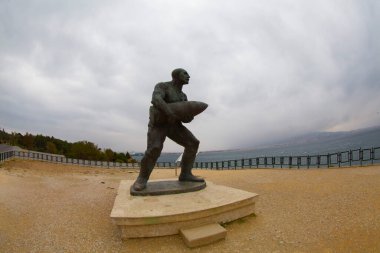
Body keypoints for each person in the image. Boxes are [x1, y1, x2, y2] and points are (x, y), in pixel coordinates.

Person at [132, 68, 204, 191]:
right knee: (154, 148)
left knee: (193, 143)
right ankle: (142, 178)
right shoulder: (163, 86)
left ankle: (186, 174)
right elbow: (156, 99)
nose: (188, 76)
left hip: (174, 125)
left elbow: (182, 117)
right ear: (176, 75)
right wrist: (169, 112)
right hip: (159, 124)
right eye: (185, 73)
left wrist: (188, 117)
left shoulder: (183, 96)